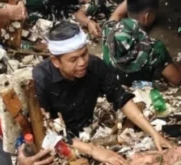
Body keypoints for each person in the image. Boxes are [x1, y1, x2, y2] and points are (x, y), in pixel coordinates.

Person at [33, 21, 172, 151]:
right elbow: (44, 131)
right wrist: (93, 151)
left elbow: (120, 97)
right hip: (59, 143)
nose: (82, 63)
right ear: (56, 61)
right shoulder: (41, 79)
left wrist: (154, 134)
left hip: (87, 131)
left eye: (84, 54)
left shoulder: (94, 65)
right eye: (73, 59)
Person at [102, 0, 181, 86]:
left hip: (115, 77)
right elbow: (176, 79)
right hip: (137, 83)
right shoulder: (155, 49)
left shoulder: (108, 29)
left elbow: (117, 13)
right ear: (147, 17)